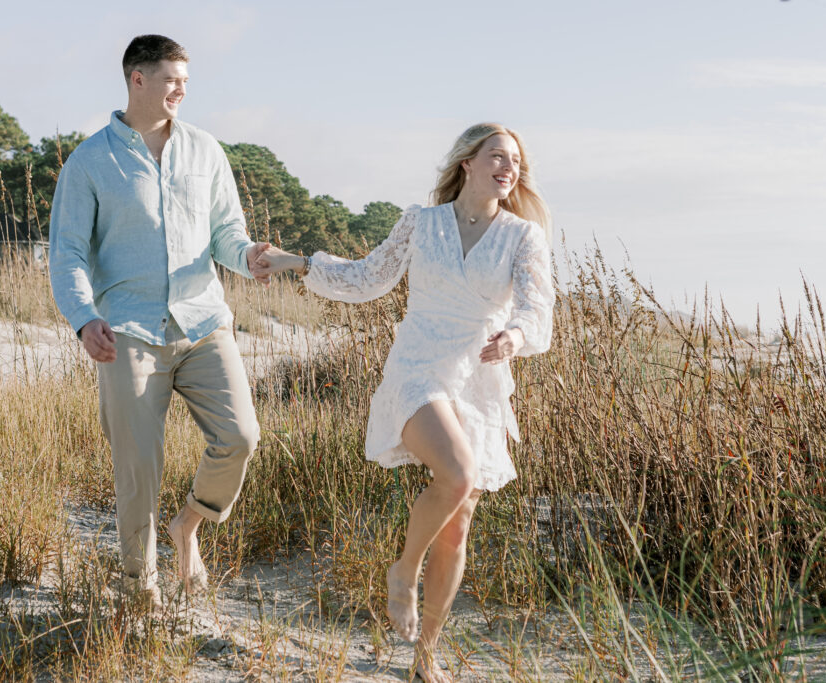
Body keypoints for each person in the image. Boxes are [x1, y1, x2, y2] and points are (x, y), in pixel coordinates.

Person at [250, 123, 554, 681]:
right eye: (497, 156)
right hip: (418, 368)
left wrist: (514, 336)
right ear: (468, 162)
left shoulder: (522, 237)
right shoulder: (422, 222)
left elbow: (538, 313)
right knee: (459, 474)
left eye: (515, 161)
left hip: (479, 380)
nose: (508, 168)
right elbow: (368, 277)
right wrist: (295, 262)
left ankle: (424, 655)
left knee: (459, 526)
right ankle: (403, 570)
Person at [49, 34, 271, 611]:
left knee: (240, 436)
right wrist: (83, 317)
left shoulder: (206, 151)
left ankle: (188, 527)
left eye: (186, 82)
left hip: (203, 324)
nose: (181, 90)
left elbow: (227, 232)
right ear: (136, 78)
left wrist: (248, 256)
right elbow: (68, 252)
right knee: (138, 468)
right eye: (171, 79)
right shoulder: (91, 160)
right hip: (128, 332)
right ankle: (138, 591)